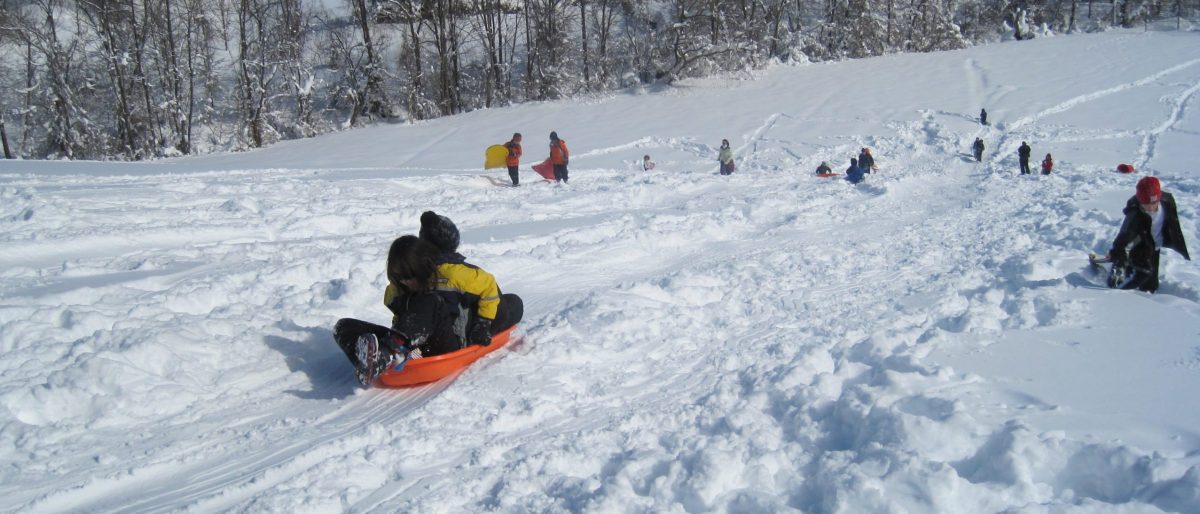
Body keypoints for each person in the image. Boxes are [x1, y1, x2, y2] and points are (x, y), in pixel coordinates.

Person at [333, 212, 524, 385]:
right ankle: (372, 363)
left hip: (443, 343)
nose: (405, 281)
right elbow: (398, 311)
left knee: (432, 301)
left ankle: (391, 351)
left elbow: (489, 287)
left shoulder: (446, 276)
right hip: (409, 344)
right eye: (400, 277)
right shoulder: (398, 288)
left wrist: (483, 324)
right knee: (343, 326)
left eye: (409, 276)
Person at [1103, 176, 1190, 292]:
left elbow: (1172, 221)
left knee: (1151, 286)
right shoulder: (1135, 214)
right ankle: (1118, 282)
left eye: (1153, 202)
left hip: (1155, 247)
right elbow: (1125, 234)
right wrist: (1117, 252)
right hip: (1139, 245)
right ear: (1140, 201)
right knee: (1141, 274)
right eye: (1145, 203)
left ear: (1159, 198)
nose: (1150, 207)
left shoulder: (1167, 201)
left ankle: (1128, 271)